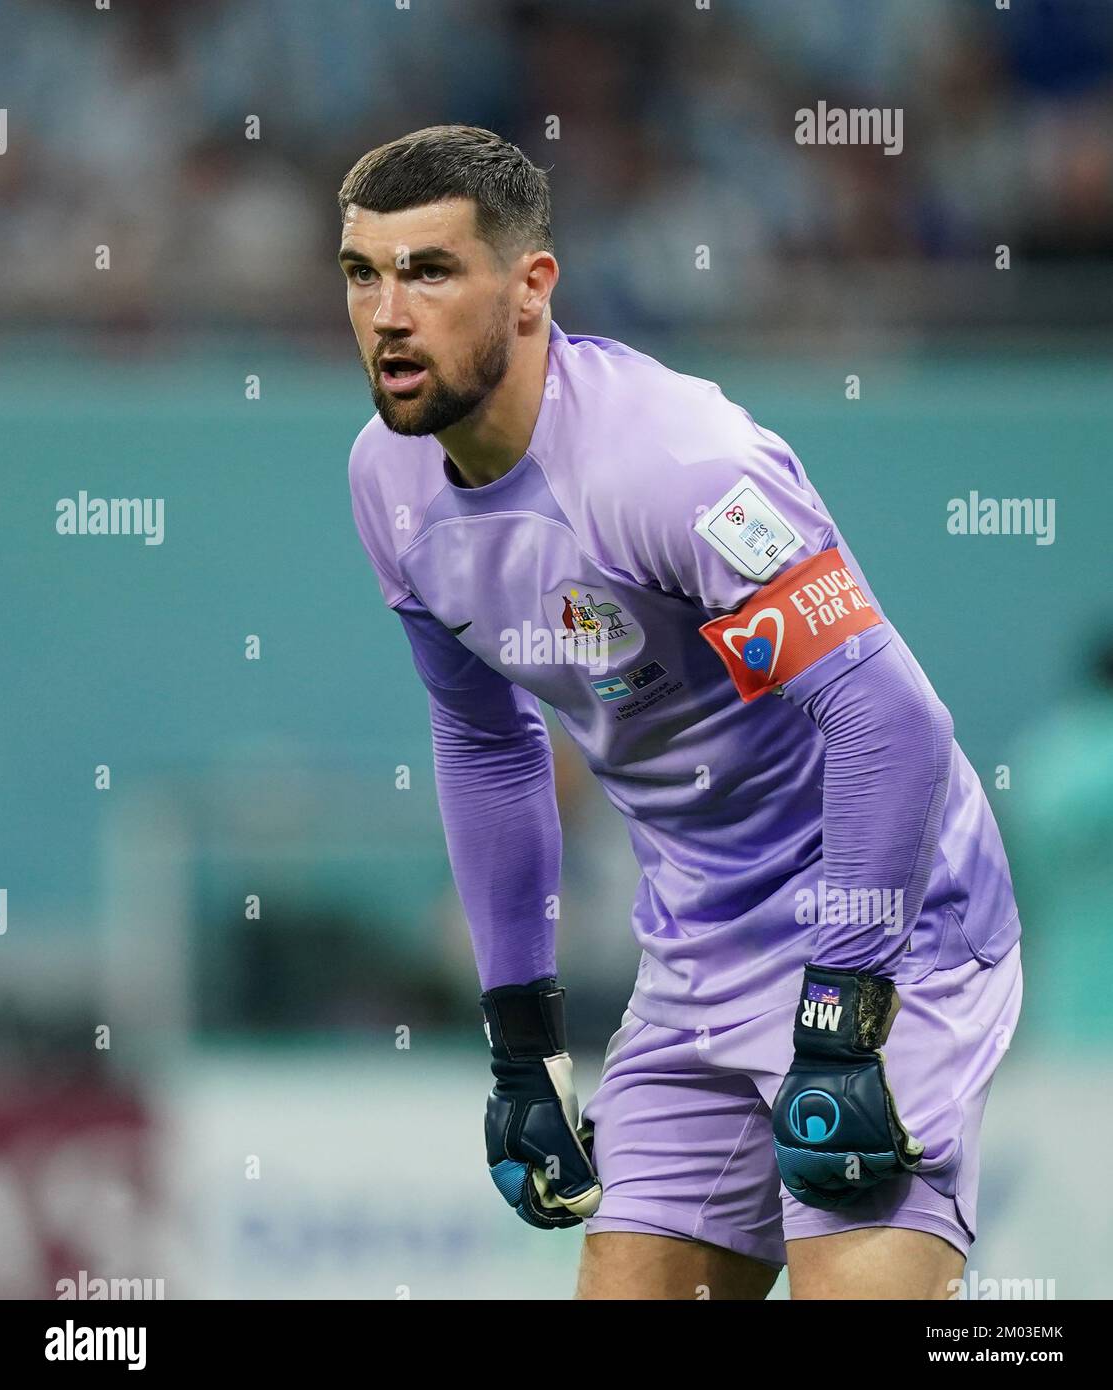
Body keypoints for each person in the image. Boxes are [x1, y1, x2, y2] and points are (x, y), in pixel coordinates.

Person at [340, 125, 1022, 1300]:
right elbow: (488, 745)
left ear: (529, 290)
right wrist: (521, 1046)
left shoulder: (674, 463)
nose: (388, 313)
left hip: (888, 933)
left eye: (431, 270)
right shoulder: (387, 484)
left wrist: (842, 1009)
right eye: (363, 274)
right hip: (697, 948)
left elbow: (887, 721)